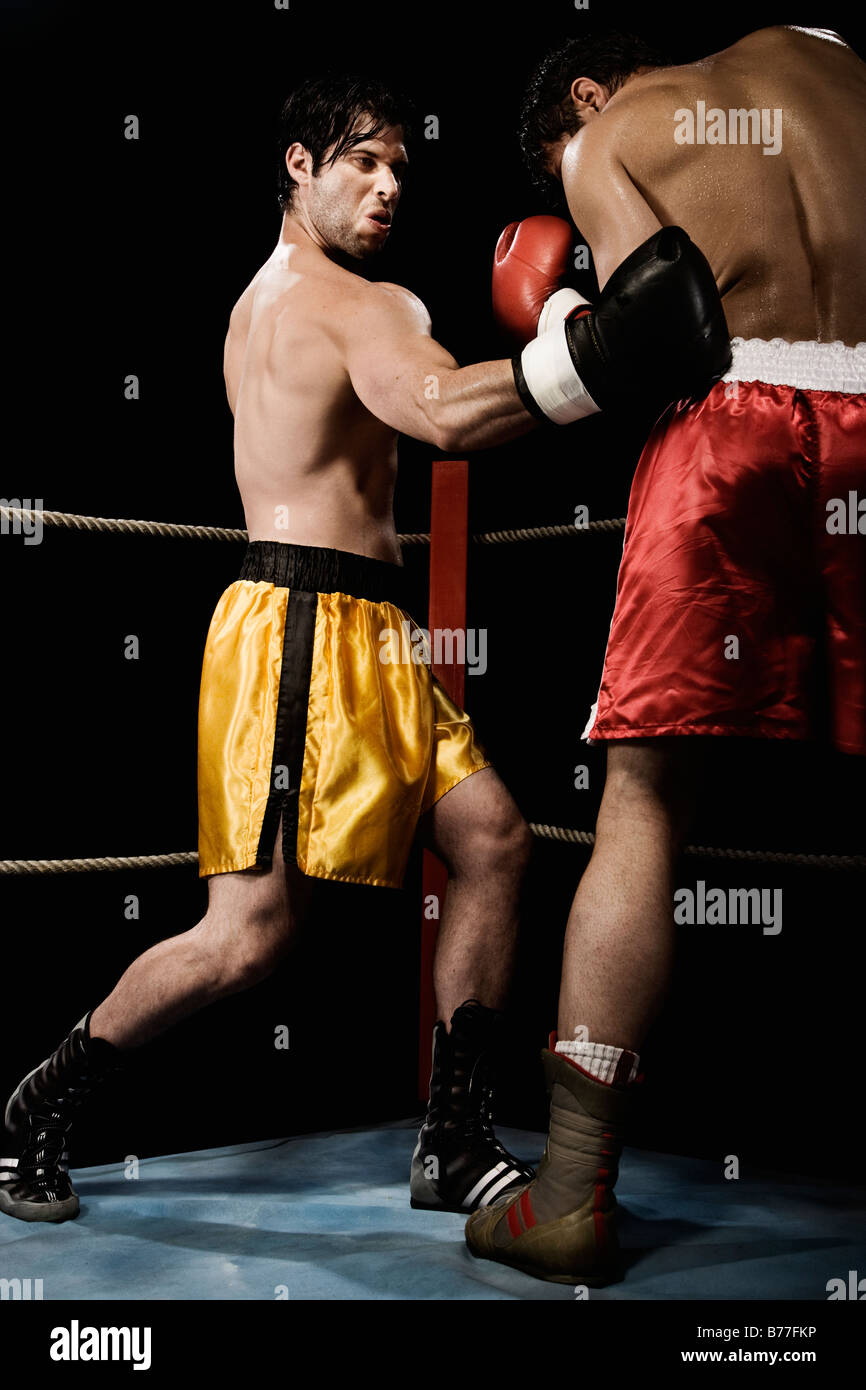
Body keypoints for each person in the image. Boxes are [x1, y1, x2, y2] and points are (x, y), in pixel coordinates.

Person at [0, 73, 548, 1226]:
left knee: (493, 839)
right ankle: (37, 1107)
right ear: (298, 166)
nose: (389, 185)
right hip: (302, 627)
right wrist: (586, 362)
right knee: (248, 937)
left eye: (400, 167)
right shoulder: (353, 302)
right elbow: (445, 414)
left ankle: (451, 1139)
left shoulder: (259, 303)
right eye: (362, 161)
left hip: (362, 628)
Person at [466, 25, 866, 1285]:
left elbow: (671, 323)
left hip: (736, 430)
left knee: (641, 804)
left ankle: (572, 1194)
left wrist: (566, 317)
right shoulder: (842, 69)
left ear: (582, 95)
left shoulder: (611, 132)